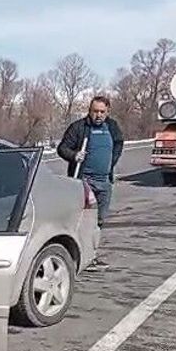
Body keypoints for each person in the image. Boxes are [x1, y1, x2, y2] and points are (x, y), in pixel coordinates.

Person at [57, 96, 124, 271]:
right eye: (95, 111)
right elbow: (62, 148)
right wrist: (74, 155)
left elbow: (118, 144)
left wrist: (111, 164)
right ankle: (75, 257)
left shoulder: (112, 127)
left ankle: (91, 257)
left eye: (102, 112)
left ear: (107, 111)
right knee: (82, 221)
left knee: (98, 222)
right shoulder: (79, 128)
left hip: (104, 182)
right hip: (84, 181)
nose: (98, 115)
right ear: (90, 111)